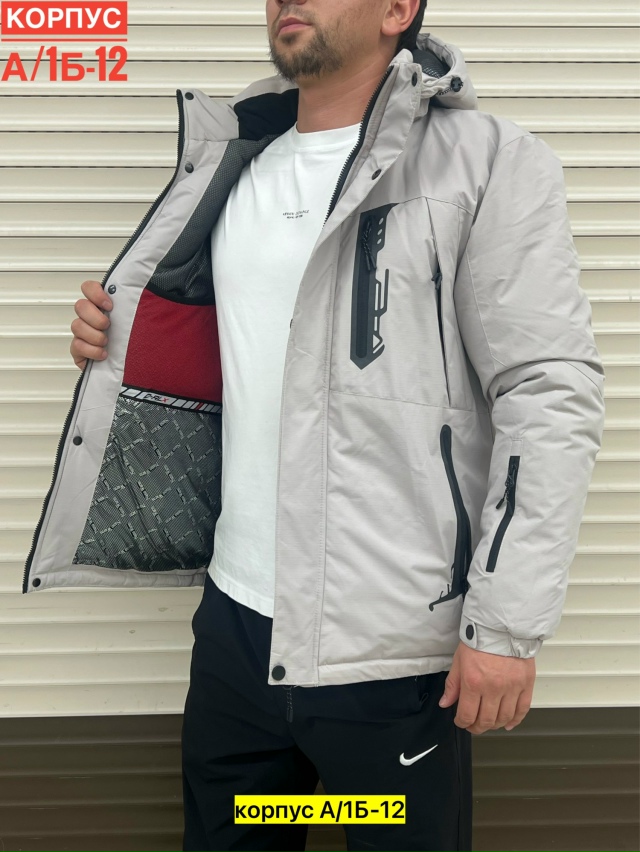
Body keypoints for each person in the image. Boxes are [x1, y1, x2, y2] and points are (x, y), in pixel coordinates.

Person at [34, 0, 605, 849]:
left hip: (392, 651)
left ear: (397, 10)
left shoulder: (486, 161)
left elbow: (548, 391)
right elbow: (244, 351)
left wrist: (507, 627)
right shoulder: (234, 161)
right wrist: (117, 342)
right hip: (235, 630)